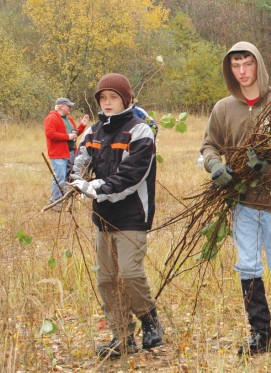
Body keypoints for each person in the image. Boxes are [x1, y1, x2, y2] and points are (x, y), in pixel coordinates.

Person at [200, 41, 271, 356]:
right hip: (242, 201)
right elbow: (209, 145)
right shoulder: (223, 108)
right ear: (230, 69)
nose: (242, 71)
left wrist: (269, 167)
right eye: (236, 65)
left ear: (258, 65)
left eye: (247, 63)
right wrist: (215, 165)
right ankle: (259, 335)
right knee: (247, 264)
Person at [69, 73, 162, 359]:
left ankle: (150, 321)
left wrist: (95, 187)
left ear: (126, 100)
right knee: (107, 279)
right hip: (103, 217)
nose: (107, 103)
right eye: (103, 98)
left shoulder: (140, 131)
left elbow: (131, 177)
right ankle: (122, 337)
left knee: (130, 272)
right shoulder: (95, 131)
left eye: (113, 98)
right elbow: (82, 158)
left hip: (132, 215)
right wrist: (75, 176)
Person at [43, 97, 88, 207]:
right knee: (60, 177)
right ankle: (55, 203)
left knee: (69, 178)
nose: (70, 108)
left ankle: (65, 201)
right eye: (69, 106)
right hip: (59, 153)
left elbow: (74, 135)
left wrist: (82, 125)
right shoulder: (51, 118)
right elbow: (50, 134)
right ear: (61, 106)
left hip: (71, 152)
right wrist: (67, 136)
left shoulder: (69, 119)